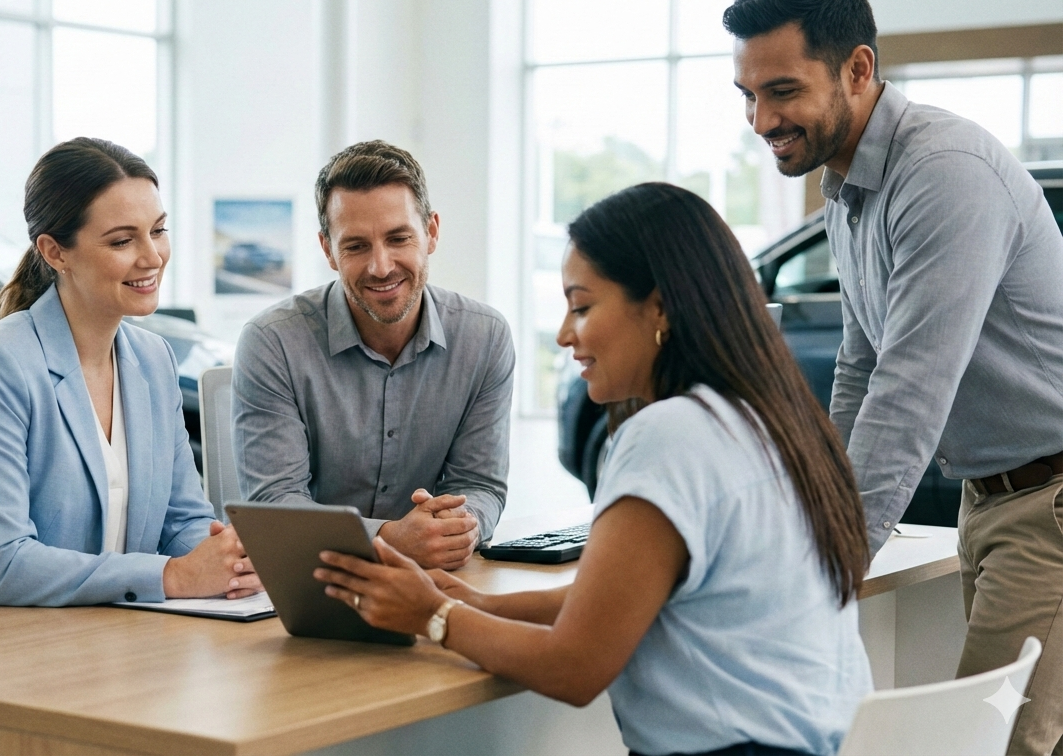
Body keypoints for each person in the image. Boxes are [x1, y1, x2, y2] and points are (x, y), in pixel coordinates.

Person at [315, 183, 873, 756]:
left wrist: (434, 615)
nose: (563, 335)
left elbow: (577, 667)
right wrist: (477, 604)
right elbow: (619, 600)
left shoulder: (667, 435)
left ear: (658, 306)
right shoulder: (770, 418)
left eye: (581, 306)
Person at [726, 0, 1063, 751]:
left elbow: (910, 393)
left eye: (783, 91)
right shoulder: (847, 183)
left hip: (1052, 503)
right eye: (748, 95)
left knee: (997, 741)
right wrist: (820, 521)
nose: (761, 122)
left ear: (858, 69)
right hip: (997, 495)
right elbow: (861, 364)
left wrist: (830, 569)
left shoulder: (942, 172)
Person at [0, 138, 259, 615]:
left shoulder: (152, 359)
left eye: (158, 231)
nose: (153, 256)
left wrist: (227, 559)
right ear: (55, 252)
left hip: (87, 636)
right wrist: (172, 575)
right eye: (123, 241)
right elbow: (1, 564)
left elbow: (180, 519)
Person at [231, 140, 515, 571]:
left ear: (432, 232)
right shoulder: (273, 342)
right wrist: (387, 537)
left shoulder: (485, 337)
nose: (381, 266)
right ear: (328, 250)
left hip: (432, 582)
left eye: (399, 238)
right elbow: (277, 504)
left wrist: (460, 526)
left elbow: (479, 484)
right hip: (310, 582)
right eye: (356, 246)